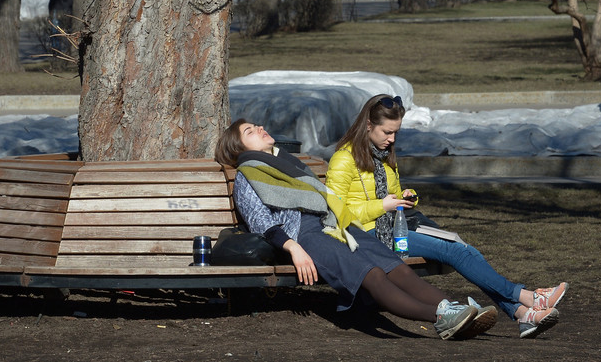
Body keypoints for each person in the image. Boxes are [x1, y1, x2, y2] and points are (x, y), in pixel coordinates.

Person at [215, 118, 490, 340]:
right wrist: (294, 248)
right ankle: (441, 319)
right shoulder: (247, 175)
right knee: (371, 274)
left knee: (394, 266)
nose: (260, 128)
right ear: (239, 148)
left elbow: (323, 197)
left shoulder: (286, 162)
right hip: (303, 235)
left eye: (256, 125)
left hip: (335, 224)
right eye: (250, 131)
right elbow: (260, 221)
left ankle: (452, 308)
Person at [325, 94, 568, 339]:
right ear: (368, 125)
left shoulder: (383, 157)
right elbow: (336, 212)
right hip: (368, 234)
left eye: (396, 132)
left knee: (462, 247)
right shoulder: (344, 159)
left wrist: (407, 197)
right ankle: (526, 299)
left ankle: (521, 313)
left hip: (394, 225)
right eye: (387, 132)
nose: (392, 139)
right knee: (456, 251)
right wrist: (381, 206)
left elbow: (393, 195)